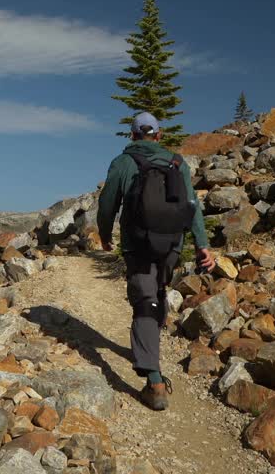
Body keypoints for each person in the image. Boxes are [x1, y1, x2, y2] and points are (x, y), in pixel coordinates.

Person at [96, 112, 213, 411]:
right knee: (158, 292)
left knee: (145, 300)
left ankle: (155, 382)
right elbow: (192, 206)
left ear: (133, 136)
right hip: (172, 244)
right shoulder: (177, 163)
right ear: (158, 136)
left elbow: (108, 203)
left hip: (138, 244)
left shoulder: (123, 163)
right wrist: (202, 245)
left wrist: (105, 235)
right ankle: (150, 348)